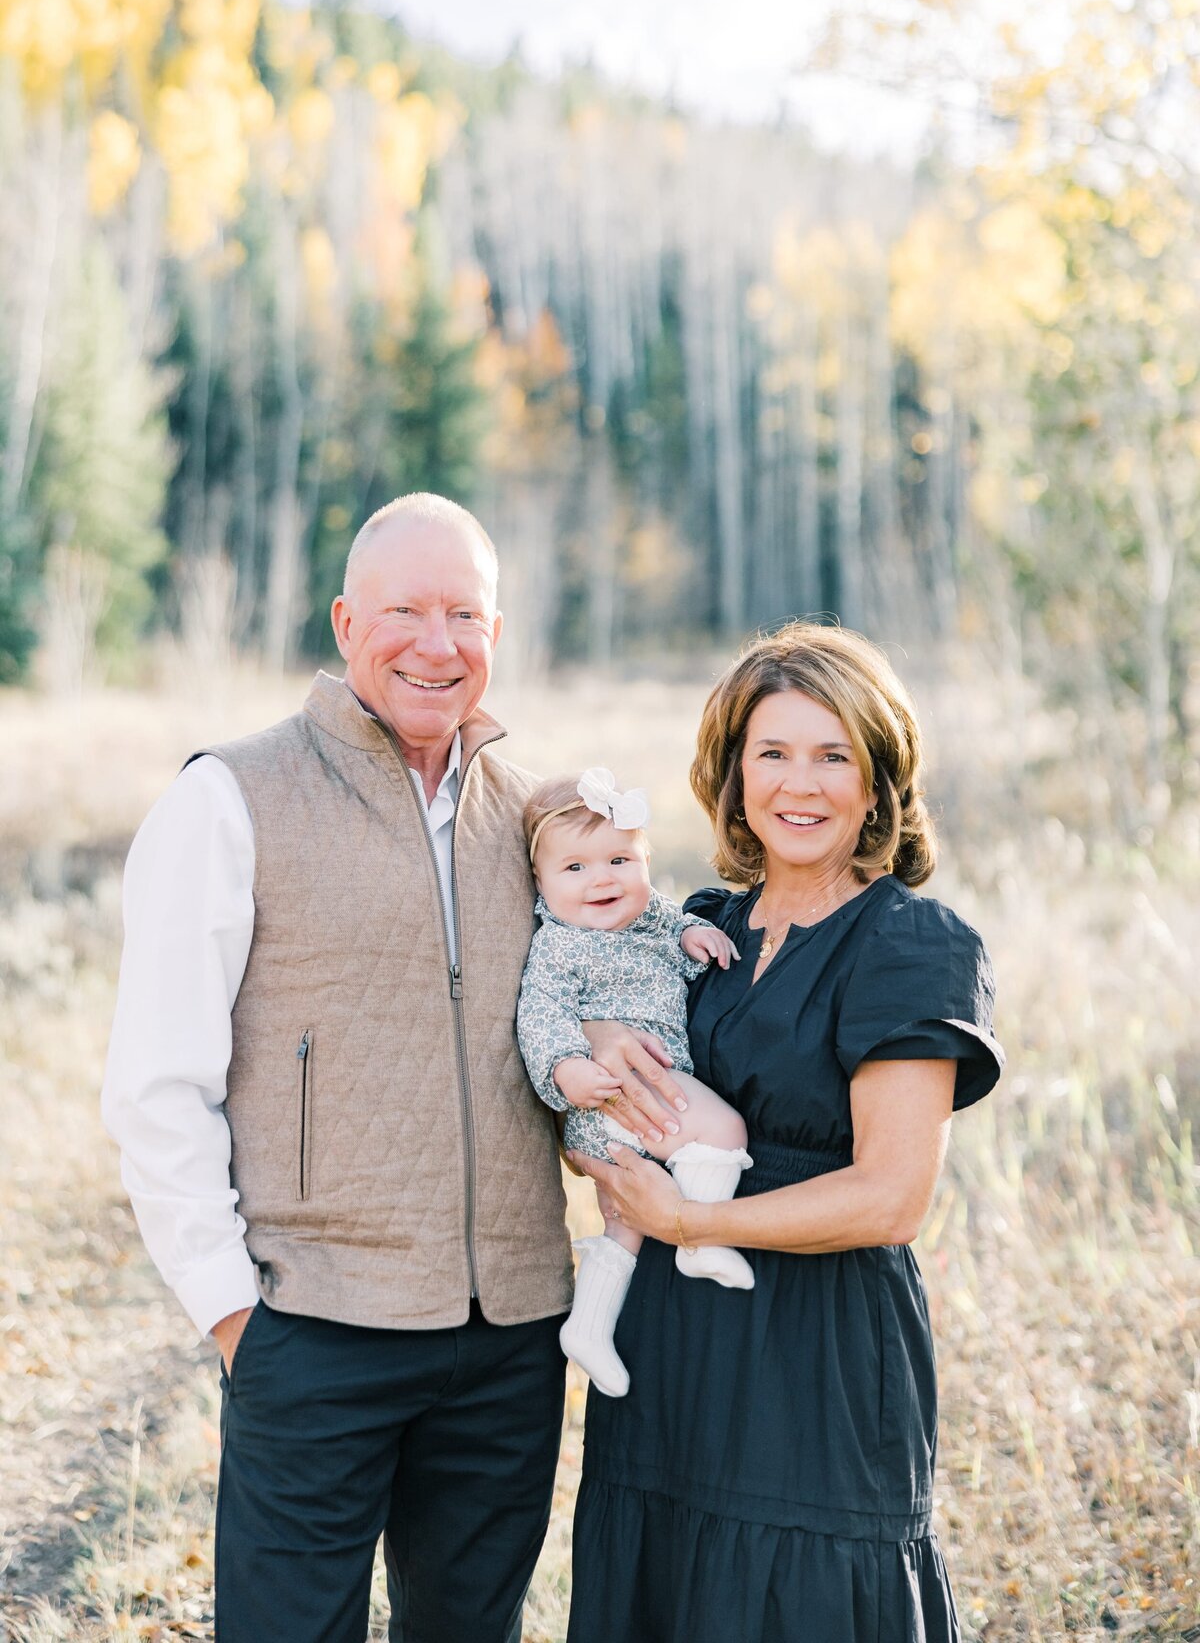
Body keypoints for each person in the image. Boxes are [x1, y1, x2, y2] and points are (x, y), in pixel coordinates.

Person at [101, 493, 576, 1643]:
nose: (436, 641)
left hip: (511, 1334)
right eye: (405, 609)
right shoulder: (231, 798)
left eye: (465, 612)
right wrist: (232, 1316)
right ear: (345, 620)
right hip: (312, 1325)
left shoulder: (537, 817)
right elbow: (158, 1084)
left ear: (497, 637)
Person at [568, 621, 1005, 1643]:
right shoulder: (697, 931)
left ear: (877, 781)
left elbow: (892, 1195)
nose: (798, 785)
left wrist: (683, 1217)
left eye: (832, 754)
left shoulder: (909, 944)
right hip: (669, 1355)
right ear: (732, 774)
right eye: (772, 753)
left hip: (820, 1360)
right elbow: (607, 1085)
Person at [516, 767, 752, 1398]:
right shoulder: (560, 947)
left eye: (620, 859)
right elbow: (538, 1014)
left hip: (632, 1100)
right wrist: (568, 1069)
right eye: (575, 868)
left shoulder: (649, 923)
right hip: (612, 1098)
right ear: (539, 884)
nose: (603, 879)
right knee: (724, 1128)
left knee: (624, 1221)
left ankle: (588, 1328)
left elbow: (668, 922)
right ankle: (702, 1235)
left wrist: (690, 931)